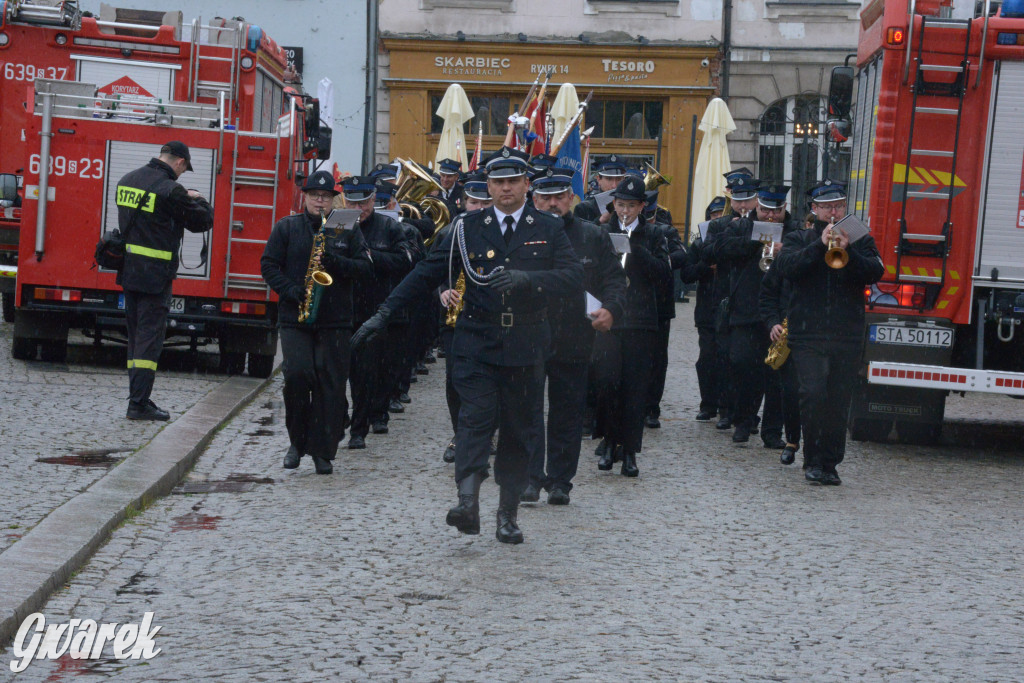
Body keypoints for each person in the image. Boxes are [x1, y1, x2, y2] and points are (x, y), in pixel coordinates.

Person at [352, 146, 582, 544]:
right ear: (487, 186)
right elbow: (426, 271)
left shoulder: (547, 227)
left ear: (527, 185)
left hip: (525, 344)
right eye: (497, 182)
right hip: (476, 340)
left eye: (513, 181)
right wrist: (383, 314)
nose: (505, 188)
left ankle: (507, 514)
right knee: (474, 419)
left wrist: (530, 280)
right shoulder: (464, 227)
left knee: (516, 430)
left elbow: (573, 277)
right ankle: (467, 502)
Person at [523, 166, 627, 505]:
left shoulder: (592, 236)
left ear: (572, 198)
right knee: (527, 411)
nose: (553, 204)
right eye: (545, 198)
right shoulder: (518, 234)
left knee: (567, 412)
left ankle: (560, 481)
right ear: (534, 200)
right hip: (528, 334)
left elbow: (614, 280)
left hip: (575, 334)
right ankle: (530, 477)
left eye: (559, 197)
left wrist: (612, 308)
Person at [260, 170, 372, 474]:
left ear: (333, 199)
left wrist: (336, 263)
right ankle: (297, 442)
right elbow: (268, 265)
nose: (320, 201)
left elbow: (364, 267)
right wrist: (291, 290)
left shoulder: (344, 224)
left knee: (331, 386)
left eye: (325, 197)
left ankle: (323, 451)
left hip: (334, 319)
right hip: (296, 316)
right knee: (297, 375)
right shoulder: (287, 227)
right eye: (314, 196)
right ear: (304, 197)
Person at [774, 180, 884, 485]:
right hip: (808, 333)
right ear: (815, 209)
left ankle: (831, 463)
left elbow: (876, 271)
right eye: (826, 207)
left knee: (838, 400)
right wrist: (820, 245)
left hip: (845, 332)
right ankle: (812, 459)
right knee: (812, 395)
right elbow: (787, 267)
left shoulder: (860, 238)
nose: (832, 212)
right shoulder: (799, 238)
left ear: (844, 207)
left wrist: (849, 253)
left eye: (837, 206)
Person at [116, 141, 213, 421]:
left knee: (135, 339)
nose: (182, 175)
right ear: (180, 162)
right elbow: (202, 221)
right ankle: (138, 404)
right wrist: (198, 198)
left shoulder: (127, 180)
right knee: (149, 340)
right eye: (184, 170)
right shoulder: (171, 190)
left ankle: (137, 396)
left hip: (129, 272)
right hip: (155, 278)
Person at [591, 176, 672, 477]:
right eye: (620, 205)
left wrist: (635, 249)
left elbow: (664, 275)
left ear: (641, 207)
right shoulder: (601, 232)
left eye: (631, 206)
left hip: (640, 321)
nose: (625, 211)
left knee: (635, 389)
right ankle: (610, 442)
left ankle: (630, 452)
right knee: (608, 383)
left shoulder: (654, 234)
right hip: (608, 321)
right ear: (613, 205)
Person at [712, 183, 797, 446]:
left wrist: (786, 250)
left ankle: (772, 432)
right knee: (741, 365)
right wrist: (756, 241)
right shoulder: (740, 226)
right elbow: (720, 249)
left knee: (777, 376)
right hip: (746, 309)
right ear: (757, 207)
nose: (770, 217)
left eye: (776, 211)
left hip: (780, 311)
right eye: (765, 211)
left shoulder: (794, 232)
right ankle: (743, 420)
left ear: (784, 209)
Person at [346, 175, 415, 449]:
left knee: (377, 369)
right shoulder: (339, 223)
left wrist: (371, 257)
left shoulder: (388, 226)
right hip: (346, 307)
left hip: (379, 308)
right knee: (351, 371)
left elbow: (405, 261)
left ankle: (368, 422)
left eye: (363, 202)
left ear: (373, 200)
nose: (358, 209)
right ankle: (354, 421)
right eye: (352, 203)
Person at [437, 172, 492, 464]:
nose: (479, 208)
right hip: (456, 317)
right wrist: (443, 291)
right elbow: (433, 269)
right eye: (473, 202)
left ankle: (485, 432)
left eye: (485, 202)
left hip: (490, 318)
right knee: (454, 380)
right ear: (462, 202)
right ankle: (459, 434)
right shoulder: (450, 231)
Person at [680, 196, 727, 422]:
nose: (717, 218)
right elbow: (687, 275)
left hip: (729, 308)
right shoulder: (699, 244)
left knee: (730, 358)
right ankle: (708, 404)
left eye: (721, 214)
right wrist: (706, 267)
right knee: (707, 358)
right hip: (707, 309)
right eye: (714, 215)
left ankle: (729, 406)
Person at [574, 155, 626, 223]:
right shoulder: (584, 208)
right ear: (598, 179)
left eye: (618, 179)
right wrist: (600, 220)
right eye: (609, 179)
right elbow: (578, 232)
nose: (614, 185)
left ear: (624, 180)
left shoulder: (632, 206)